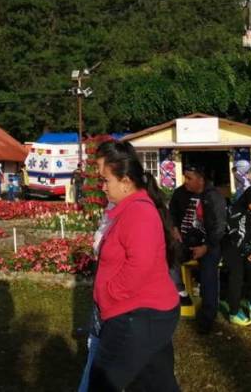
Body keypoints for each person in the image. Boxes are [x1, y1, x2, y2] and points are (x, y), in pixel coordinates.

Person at [86, 140, 179, 391]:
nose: (102, 187)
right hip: (145, 313)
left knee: (104, 383)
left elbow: (140, 265)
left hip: (135, 314)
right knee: (156, 383)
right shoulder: (128, 209)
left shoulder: (139, 213)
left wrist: (109, 294)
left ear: (126, 182)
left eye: (106, 180)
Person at [168, 164, 226, 334]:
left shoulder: (214, 196)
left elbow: (219, 227)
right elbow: (171, 213)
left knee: (208, 274)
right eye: (185, 177)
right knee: (167, 255)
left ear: (200, 180)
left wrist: (206, 246)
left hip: (209, 243)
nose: (185, 181)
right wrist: (174, 228)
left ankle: (207, 318)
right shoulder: (180, 193)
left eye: (189, 178)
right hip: (185, 241)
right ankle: (181, 294)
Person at [222, 184, 251, 326]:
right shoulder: (234, 210)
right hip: (230, 247)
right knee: (237, 273)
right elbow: (234, 234)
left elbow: (249, 231)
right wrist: (248, 251)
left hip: (246, 248)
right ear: (248, 200)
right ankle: (234, 312)